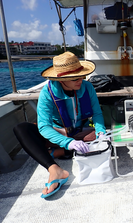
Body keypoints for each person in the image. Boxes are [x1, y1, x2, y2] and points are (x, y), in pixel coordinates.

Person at [13, 51, 106, 198]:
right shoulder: (47, 93)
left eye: (81, 75)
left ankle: (62, 152)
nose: (80, 79)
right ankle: (54, 168)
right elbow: (44, 126)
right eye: (74, 77)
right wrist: (68, 142)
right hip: (59, 133)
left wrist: (101, 131)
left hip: (80, 132)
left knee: (103, 137)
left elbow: (97, 114)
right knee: (22, 129)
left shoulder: (87, 87)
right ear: (61, 79)